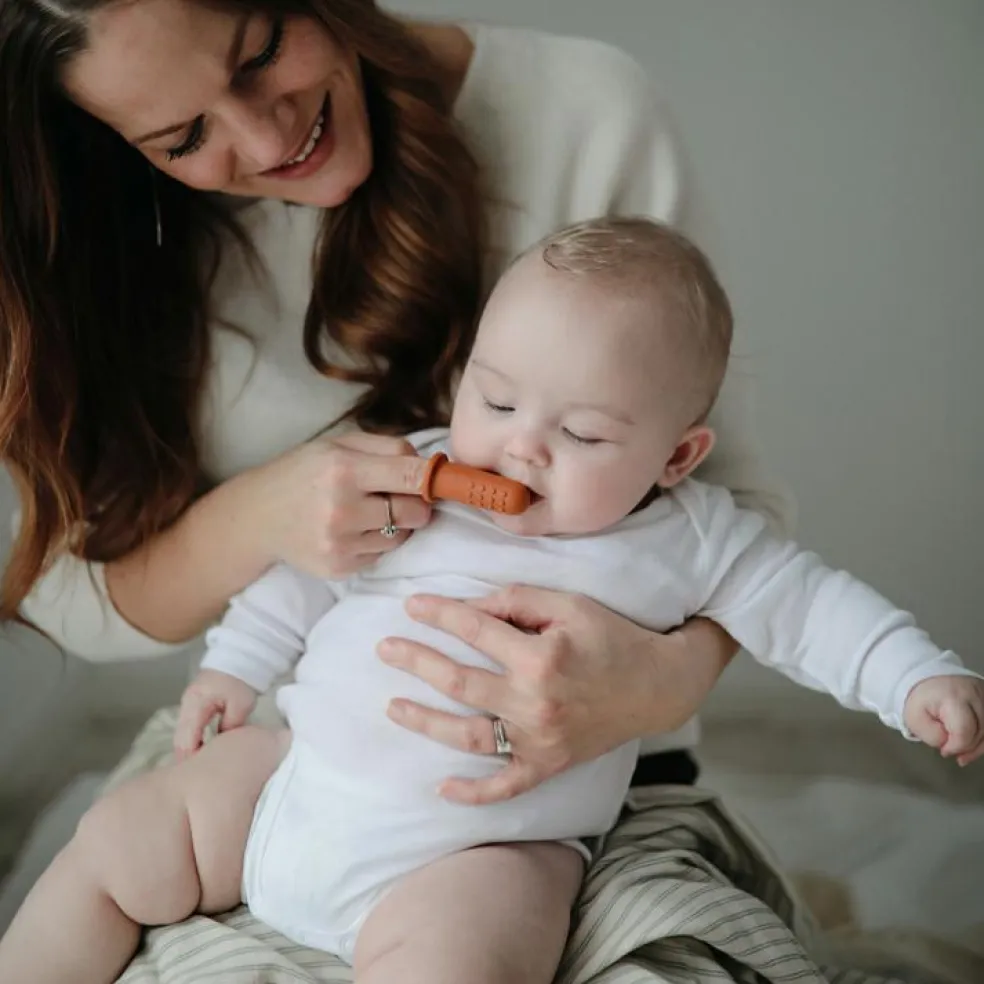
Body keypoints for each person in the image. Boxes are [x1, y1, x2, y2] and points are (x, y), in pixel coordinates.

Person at [0, 0, 796, 979]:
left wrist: (654, 684)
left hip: (556, 802)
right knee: (114, 867)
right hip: (292, 748)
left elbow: (743, 527)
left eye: (259, 54)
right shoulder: (105, 230)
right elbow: (65, 587)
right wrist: (266, 515)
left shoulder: (582, 112)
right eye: (184, 137)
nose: (267, 134)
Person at [2, 217, 982, 984]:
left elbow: (812, 611)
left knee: (467, 959)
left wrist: (915, 680)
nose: (521, 447)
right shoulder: (417, 472)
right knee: (116, 841)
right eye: (499, 399)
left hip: (479, 850)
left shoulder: (694, 536)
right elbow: (303, 572)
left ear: (675, 457)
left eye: (584, 433)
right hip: (294, 785)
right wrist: (233, 665)